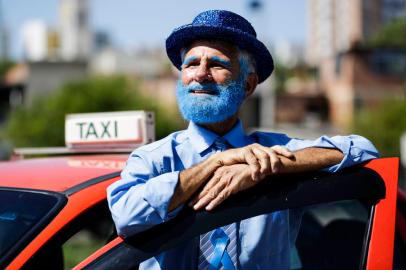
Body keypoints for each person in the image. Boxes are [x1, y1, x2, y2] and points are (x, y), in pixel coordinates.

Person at [107, 10, 379, 269]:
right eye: (191, 64)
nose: (200, 74)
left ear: (248, 85)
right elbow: (125, 215)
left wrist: (270, 168)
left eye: (216, 64)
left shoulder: (270, 152)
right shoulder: (154, 158)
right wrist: (216, 163)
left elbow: (364, 149)